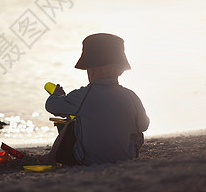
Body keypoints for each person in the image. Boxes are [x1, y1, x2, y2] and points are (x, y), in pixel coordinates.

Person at [39, 33, 150, 165]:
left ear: (91, 70)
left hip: (88, 159)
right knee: (136, 131)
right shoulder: (131, 96)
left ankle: (51, 157)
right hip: (127, 158)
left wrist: (57, 95)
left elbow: (51, 106)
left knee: (72, 124)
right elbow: (144, 125)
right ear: (120, 70)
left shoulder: (84, 95)